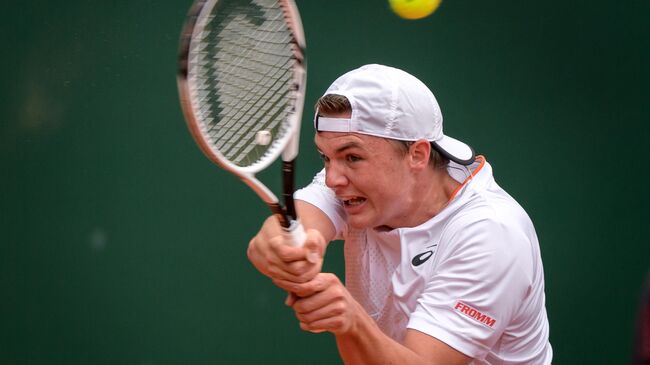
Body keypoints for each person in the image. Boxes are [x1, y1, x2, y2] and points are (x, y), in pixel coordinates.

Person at [247, 64, 552, 364]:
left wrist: (351, 321)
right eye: (326, 157)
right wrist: (284, 249)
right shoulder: (353, 188)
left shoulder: (490, 234)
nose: (332, 179)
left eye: (352, 157)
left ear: (417, 154)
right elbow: (284, 230)